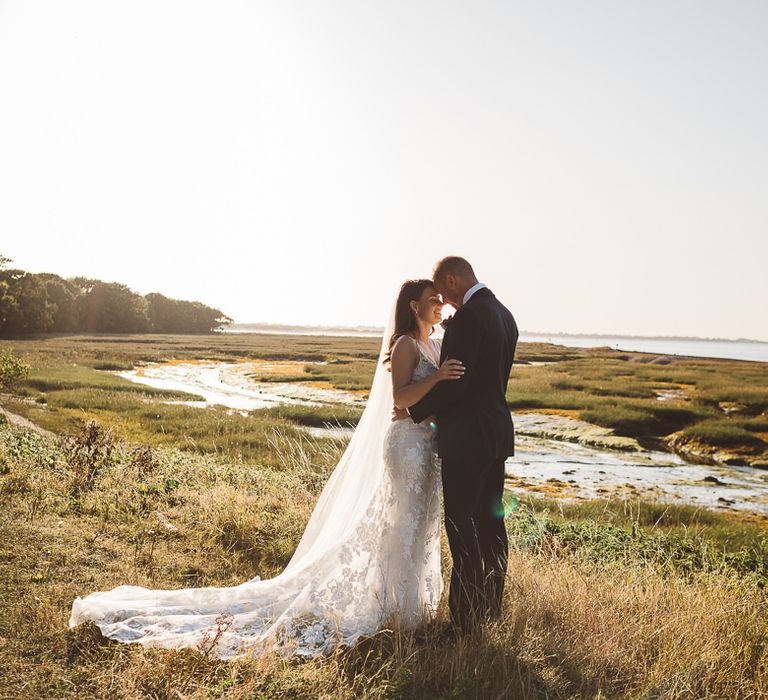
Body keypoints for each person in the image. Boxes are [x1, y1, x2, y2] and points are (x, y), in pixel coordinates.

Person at [69, 279, 463, 659]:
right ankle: (391, 609)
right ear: (414, 305)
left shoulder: (435, 342)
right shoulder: (406, 344)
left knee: (416, 524)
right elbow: (401, 397)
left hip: (426, 448)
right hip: (405, 448)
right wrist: (440, 378)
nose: (440, 303)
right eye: (433, 297)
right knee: (398, 525)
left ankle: (409, 608)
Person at [408, 256, 519, 634]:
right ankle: (490, 606)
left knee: (462, 527)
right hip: (496, 434)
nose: (444, 301)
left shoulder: (470, 317)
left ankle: (464, 623)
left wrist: (416, 410)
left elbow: (459, 382)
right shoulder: (504, 313)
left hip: (468, 439)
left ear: (452, 280)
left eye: (443, 292)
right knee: (491, 525)